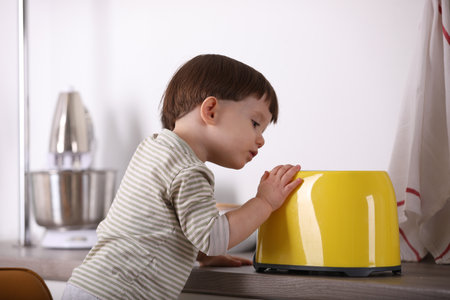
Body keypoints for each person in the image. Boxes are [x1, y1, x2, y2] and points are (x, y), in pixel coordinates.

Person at [62, 54, 302, 299]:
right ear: (210, 111)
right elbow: (213, 236)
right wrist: (264, 201)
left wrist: (198, 253)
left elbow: (156, 224)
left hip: (90, 285)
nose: (261, 139)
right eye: (255, 123)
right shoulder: (189, 170)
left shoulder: (155, 148)